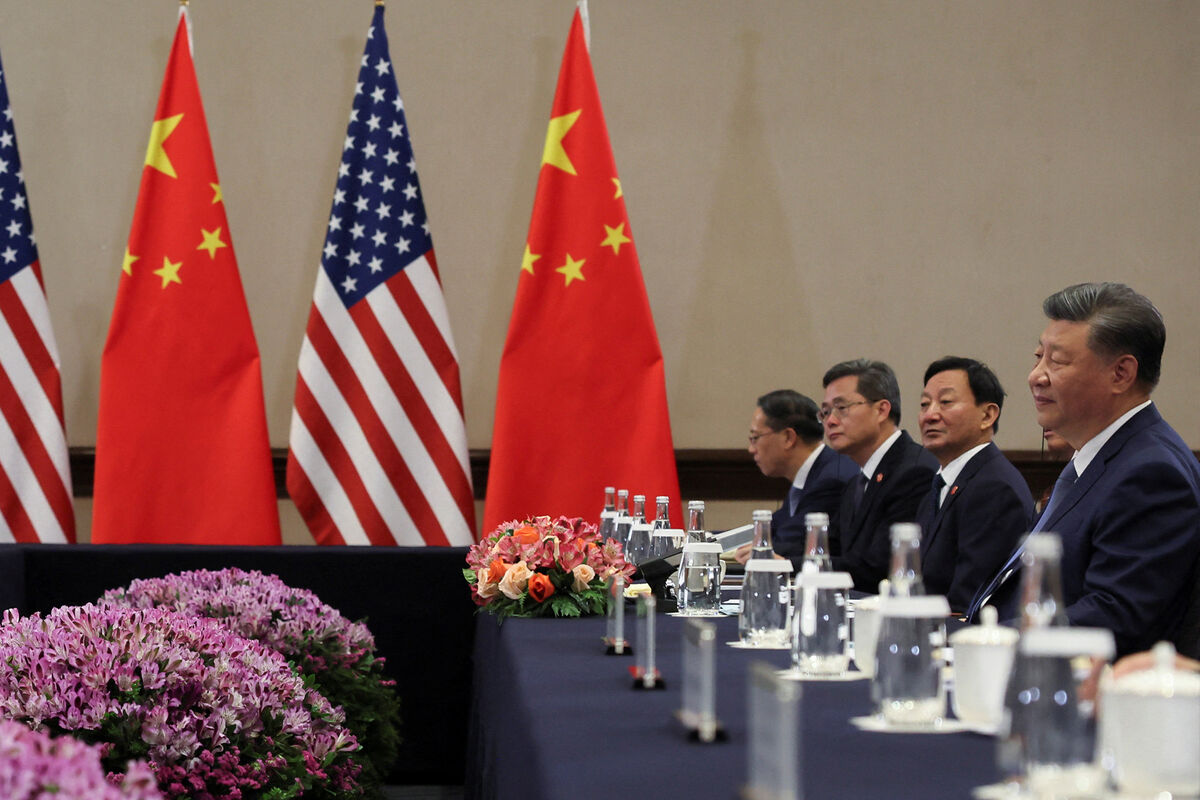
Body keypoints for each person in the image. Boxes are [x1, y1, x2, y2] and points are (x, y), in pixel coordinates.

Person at [967, 282, 1200, 657]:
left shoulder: (1152, 472)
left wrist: (992, 642)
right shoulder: (1098, 457)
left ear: (1121, 373)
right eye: (1038, 357)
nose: (1035, 376)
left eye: (1056, 362)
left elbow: (1114, 615)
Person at [914, 357, 1034, 612]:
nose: (930, 415)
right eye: (924, 404)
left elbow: (969, 602)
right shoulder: (941, 483)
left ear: (987, 415)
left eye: (946, 402)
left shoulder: (994, 488)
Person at [821, 359, 938, 591]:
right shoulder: (857, 482)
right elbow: (831, 549)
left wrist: (789, 565)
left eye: (841, 408)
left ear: (882, 410)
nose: (830, 421)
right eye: (825, 412)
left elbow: (879, 567)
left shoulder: (914, 472)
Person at [736, 390, 858, 565]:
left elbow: (788, 544)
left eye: (755, 438)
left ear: (788, 437)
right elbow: (774, 529)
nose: (751, 449)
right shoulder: (812, 474)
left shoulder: (832, 480)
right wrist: (713, 540)